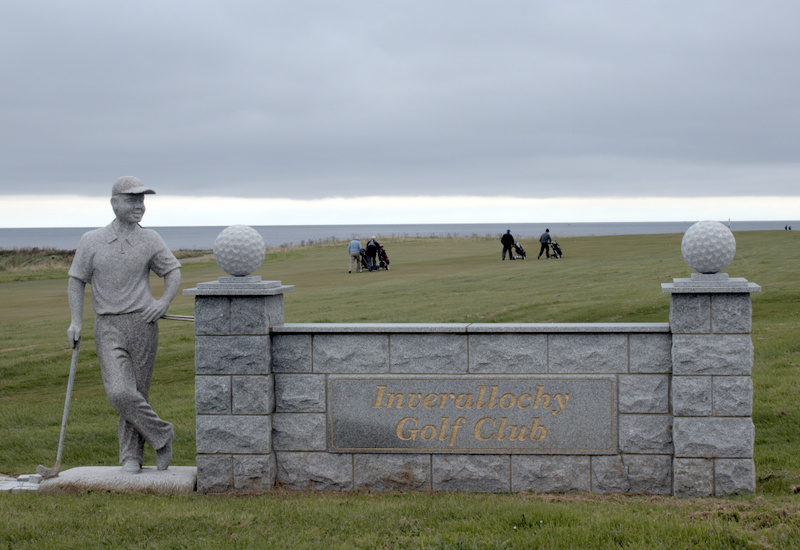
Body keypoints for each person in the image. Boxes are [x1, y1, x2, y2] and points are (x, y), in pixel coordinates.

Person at [67, 176, 181, 474]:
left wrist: (163, 302)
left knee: (137, 394)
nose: (139, 206)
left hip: (143, 324)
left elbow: (172, 272)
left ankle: (131, 457)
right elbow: (76, 281)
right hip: (108, 326)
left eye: (142, 200)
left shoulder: (150, 238)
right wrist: (75, 320)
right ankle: (161, 433)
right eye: (132, 199)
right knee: (120, 393)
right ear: (114, 202)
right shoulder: (91, 241)